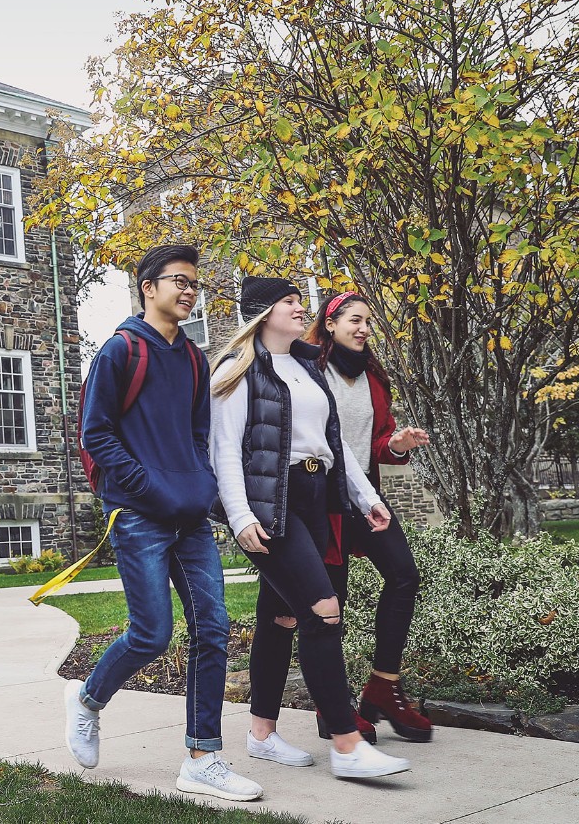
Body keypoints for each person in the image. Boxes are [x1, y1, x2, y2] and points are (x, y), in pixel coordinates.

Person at [68, 244, 264, 802]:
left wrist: (200, 486)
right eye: (178, 281)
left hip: (191, 516)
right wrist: (150, 486)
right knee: (152, 633)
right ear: (147, 287)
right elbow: (96, 436)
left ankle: (203, 757)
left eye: (194, 284)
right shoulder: (120, 352)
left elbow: (199, 436)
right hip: (139, 516)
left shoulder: (197, 360)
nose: (189, 290)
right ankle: (87, 700)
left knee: (213, 629)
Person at [209, 275, 410, 779]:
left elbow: (334, 444)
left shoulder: (305, 365)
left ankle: (261, 735)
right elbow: (225, 451)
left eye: (301, 301)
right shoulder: (239, 369)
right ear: (262, 313)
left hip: (318, 499)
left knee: (281, 618)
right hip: (273, 507)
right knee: (323, 612)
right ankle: (346, 745)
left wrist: (365, 498)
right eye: (290, 302)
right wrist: (239, 516)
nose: (302, 309)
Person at [308, 291, 433, 742]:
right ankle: (332, 707)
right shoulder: (312, 372)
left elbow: (376, 442)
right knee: (330, 604)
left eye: (367, 322)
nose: (363, 329)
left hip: (366, 497)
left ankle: (383, 687)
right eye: (354, 320)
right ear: (330, 323)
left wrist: (397, 443)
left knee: (404, 575)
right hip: (323, 502)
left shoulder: (373, 378)